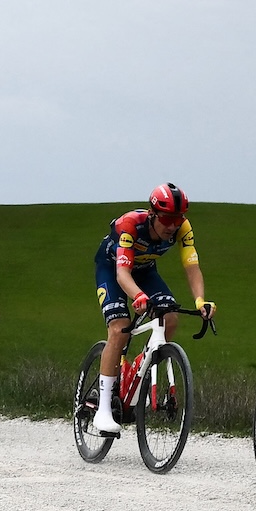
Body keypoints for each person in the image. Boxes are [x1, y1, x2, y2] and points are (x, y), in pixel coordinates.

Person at [91, 184, 213, 433]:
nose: (172, 226)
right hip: (113, 269)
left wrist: (201, 300)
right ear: (152, 214)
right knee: (119, 328)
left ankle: (136, 372)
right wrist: (137, 296)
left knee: (170, 317)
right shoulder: (130, 225)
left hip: (145, 271)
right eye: (167, 219)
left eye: (177, 220)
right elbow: (122, 272)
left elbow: (192, 267)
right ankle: (103, 408)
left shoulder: (183, 228)